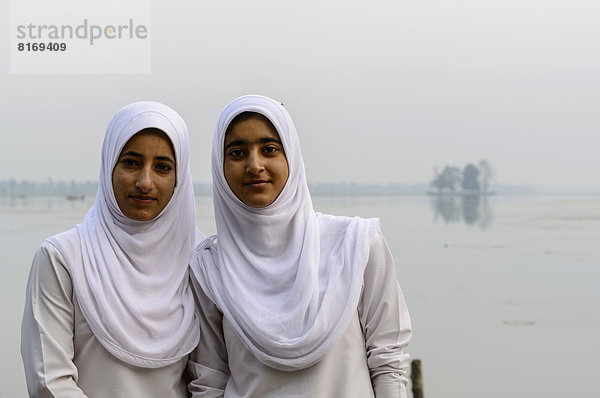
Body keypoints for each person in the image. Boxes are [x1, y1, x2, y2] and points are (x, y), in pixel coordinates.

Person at [188, 95, 412, 397]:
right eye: (238, 152)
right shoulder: (209, 267)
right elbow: (209, 381)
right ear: (220, 164)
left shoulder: (355, 244)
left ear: (291, 156)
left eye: (269, 149)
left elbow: (388, 361)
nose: (255, 165)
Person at [21, 101, 203, 397]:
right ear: (108, 166)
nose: (145, 182)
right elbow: (50, 383)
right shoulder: (62, 258)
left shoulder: (198, 258)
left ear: (179, 178)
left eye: (162, 167)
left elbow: (208, 378)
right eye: (131, 162)